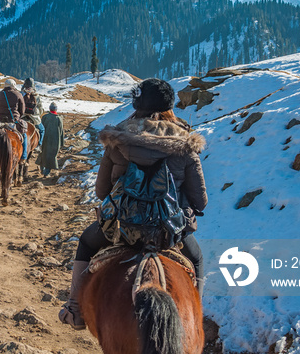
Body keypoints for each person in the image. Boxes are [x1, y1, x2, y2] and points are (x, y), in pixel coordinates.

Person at [58, 78, 208, 330]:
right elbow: (200, 200)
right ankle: (196, 321)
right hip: (167, 232)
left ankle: (75, 310)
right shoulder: (185, 145)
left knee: (85, 243)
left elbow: (101, 191)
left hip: (122, 229)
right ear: (169, 106)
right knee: (197, 259)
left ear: (137, 104)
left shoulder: (118, 140)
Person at [0, 78, 28, 160]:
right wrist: (17, 116)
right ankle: (23, 157)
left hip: (0, 121)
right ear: (14, 86)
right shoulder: (18, 94)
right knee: (24, 135)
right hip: (13, 122)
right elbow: (22, 110)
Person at [36, 102, 63, 176]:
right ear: (56, 109)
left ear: (49, 109)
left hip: (45, 139)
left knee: (43, 153)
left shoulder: (45, 117)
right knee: (52, 156)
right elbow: (61, 131)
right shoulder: (59, 118)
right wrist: (62, 143)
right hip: (55, 141)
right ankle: (46, 172)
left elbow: (40, 128)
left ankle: (42, 169)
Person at [22, 77, 45, 146]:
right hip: (33, 118)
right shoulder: (36, 96)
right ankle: (39, 144)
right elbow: (40, 109)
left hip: (22, 116)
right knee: (42, 130)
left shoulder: (21, 94)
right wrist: (38, 113)